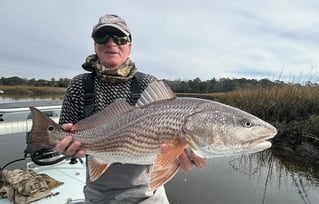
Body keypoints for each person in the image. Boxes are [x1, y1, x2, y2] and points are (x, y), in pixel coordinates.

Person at [55, 14, 206, 204]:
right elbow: (64, 133)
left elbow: (170, 143)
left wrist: (180, 155)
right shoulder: (79, 84)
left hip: (148, 193)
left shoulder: (148, 83)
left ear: (130, 46)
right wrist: (64, 146)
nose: (111, 43)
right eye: (103, 37)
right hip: (99, 193)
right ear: (95, 45)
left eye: (120, 38)